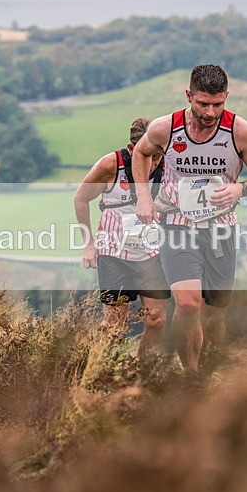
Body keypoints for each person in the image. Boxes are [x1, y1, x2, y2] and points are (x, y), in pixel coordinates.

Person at [132, 64, 247, 372]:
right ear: (189, 96)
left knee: (214, 317)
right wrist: (144, 196)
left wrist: (241, 189)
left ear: (226, 98)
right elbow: (140, 153)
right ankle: (192, 378)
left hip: (220, 230)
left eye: (218, 104)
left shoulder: (241, 132)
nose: (210, 112)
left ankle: (211, 368)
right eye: (202, 104)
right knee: (187, 304)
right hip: (177, 227)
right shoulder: (165, 128)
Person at [74, 117, 170, 358]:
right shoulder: (111, 165)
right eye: (147, 157)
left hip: (151, 254)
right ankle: (100, 371)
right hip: (113, 254)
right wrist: (88, 244)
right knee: (115, 327)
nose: (152, 164)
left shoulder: (167, 165)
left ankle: (140, 369)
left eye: (157, 157)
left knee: (156, 320)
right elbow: (81, 199)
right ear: (132, 149)